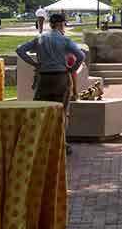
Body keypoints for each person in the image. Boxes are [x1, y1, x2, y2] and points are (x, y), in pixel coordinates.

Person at [15, 12, 85, 155]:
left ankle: (39, 142)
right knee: (61, 112)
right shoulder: (65, 40)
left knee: (40, 111)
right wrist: (72, 69)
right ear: (61, 24)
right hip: (61, 78)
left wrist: (34, 64)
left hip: (44, 79)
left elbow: (20, 50)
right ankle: (61, 144)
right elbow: (81, 55)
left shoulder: (40, 38)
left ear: (51, 24)